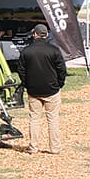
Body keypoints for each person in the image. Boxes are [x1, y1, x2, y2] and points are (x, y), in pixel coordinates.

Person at [18, 24, 68, 154]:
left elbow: (21, 70)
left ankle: (33, 147)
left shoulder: (26, 51)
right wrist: (59, 84)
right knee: (52, 119)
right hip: (51, 89)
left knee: (34, 119)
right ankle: (55, 148)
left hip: (33, 90)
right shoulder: (54, 50)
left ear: (35, 34)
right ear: (46, 35)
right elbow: (61, 69)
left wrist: (26, 84)